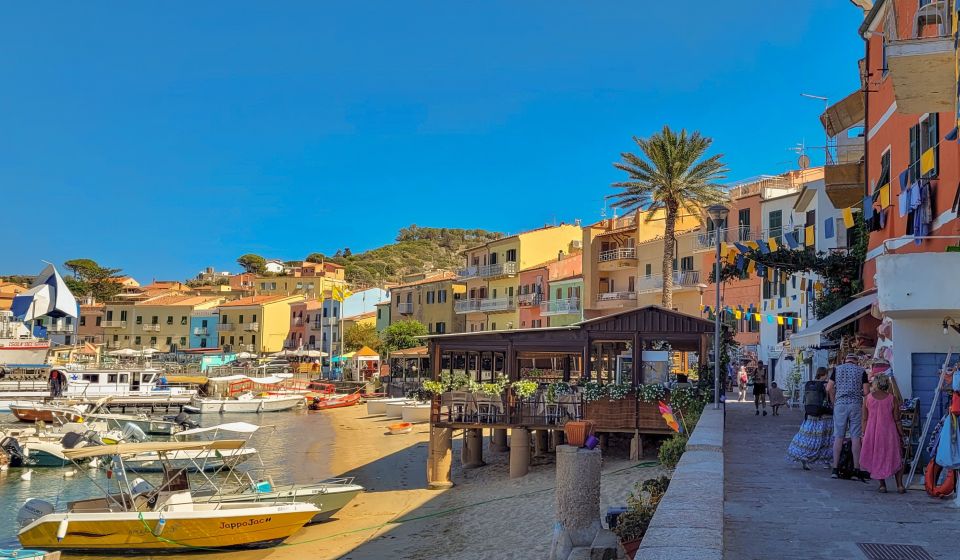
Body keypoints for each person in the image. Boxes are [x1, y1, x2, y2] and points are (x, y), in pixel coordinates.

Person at [859, 374, 905, 493]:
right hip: (889, 432)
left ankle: (882, 485)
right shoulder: (892, 398)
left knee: (877, 457)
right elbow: (897, 419)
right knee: (896, 457)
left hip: (872, 432)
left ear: (875, 384)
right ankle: (899, 485)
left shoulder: (867, 398)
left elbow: (864, 418)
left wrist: (864, 434)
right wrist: (901, 434)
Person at [828, 353, 870, 480]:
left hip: (840, 404)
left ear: (845, 360)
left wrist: (834, 400)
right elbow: (867, 392)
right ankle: (856, 469)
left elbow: (829, 387)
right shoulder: (861, 371)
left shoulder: (837, 369)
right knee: (855, 436)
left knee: (839, 436)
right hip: (856, 405)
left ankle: (835, 469)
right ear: (856, 361)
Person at [787, 367, 834, 470]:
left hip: (811, 415)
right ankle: (826, 460)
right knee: (826, 440)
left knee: (808, 437)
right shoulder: (827, 385)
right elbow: (832, 400)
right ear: (825, 374)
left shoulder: (809, 384)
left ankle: (804, 455)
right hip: (824, 415)